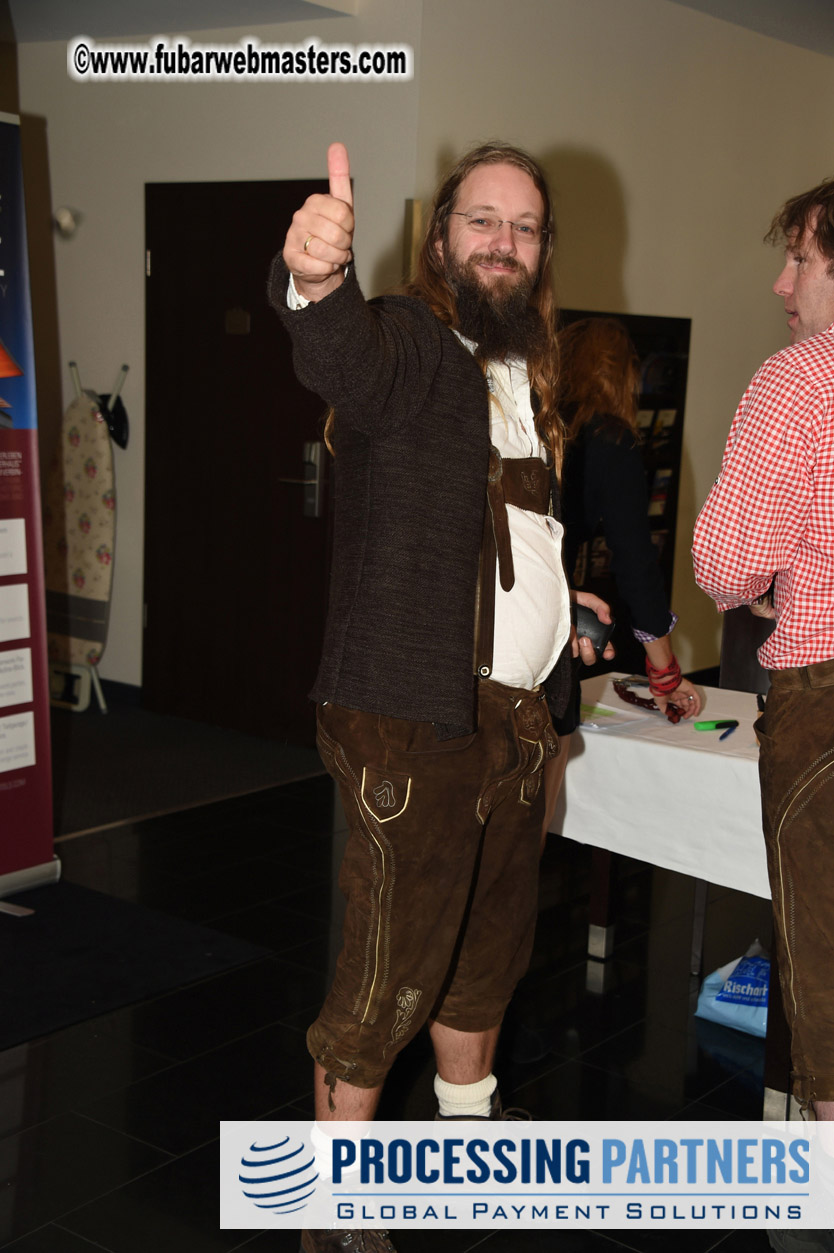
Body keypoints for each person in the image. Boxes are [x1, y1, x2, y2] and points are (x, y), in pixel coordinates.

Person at [269, 140, 611, 1253]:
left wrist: (570, 601)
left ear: (541, 252)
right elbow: (343, 358)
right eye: (482, 221)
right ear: (440, 239)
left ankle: (467, 1126)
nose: (503, 243)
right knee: (389, 964)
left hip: (510, 723)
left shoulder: (521, 377)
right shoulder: (417, 342)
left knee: (487, 945)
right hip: (411, 715)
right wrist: (315, 280)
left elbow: (504, 532)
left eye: (523, 228)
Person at [693, 176, 834, 1125]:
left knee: (825, 965)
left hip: (823, 694)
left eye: (803, 259)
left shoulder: (797, 381)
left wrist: (758, 582)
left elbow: (723, 558)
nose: (783, 284)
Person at [543, 317, 702, 835]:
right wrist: (665, 673)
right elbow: (635, 560)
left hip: (504, 614)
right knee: (530, 821)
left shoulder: (540, 422)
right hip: (542, 632)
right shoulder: (612, 436)